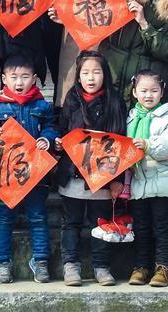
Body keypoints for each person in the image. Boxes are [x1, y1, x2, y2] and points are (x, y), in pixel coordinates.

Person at [54, 51, 127, 287]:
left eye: (96, 72)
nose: (91, 77)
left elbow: (121, 142)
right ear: (78, 76)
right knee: (71, 223)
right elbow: (64, 130)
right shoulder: (71, 99)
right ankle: (71, 266)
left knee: (101, 223)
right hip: (74, 173)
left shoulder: (115, 101)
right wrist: (58, 143)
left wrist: (119, 179)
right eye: (85, 72)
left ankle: (101, 266)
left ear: (105, 74)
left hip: (104, 175)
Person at [0, 55, 58, 285]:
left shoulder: (42, 106)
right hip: (7, 175)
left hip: (35, 172)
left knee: (38, 216)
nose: (19, 82)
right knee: (4, 217)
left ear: (35, 79)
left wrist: (47, 139)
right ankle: (3, 263)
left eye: (25, 77)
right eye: (14, 77)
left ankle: (41, 261)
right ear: (3, 78)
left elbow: (51, 127)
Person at [127, 69, 168, 288]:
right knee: (141, 227)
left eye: (154, 90)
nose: (148, 95)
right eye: (143, 90)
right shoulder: (131, 116)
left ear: (162, 93)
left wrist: (149, 145)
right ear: (134, 92)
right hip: (138, 182)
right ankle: (141, 266)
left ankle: (163, 268)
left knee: (161, 227)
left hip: (162, 182)